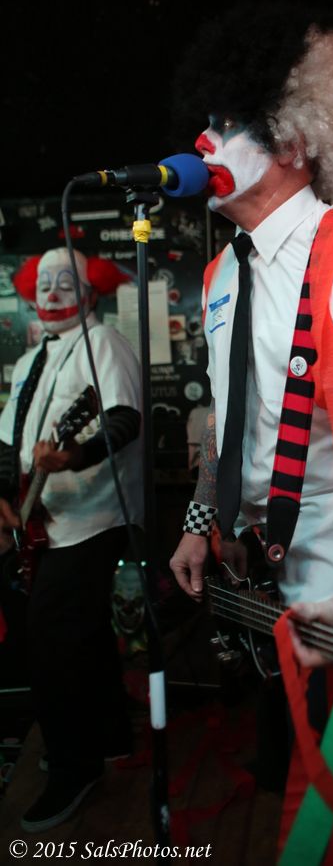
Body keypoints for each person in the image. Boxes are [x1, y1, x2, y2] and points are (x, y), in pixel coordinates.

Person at [169, 3, 333, 864]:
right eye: (205, 123)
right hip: (257, 568)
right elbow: (226, 417)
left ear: (291, 138)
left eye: (229, 124)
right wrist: (201, 523)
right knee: (289, 765)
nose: (204, 142)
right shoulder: (221, 271)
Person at [0, 247, 143, 832]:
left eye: (66, 284)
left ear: (90, 292)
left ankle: (73, 766)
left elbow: (125, 420)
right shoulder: (29, 360)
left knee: (52, 643)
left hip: (93, 519)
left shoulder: (103, 342)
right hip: (42, 524)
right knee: (81, 635)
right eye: (45, 285)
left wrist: (74, 456)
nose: (54, 295)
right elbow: (9, 441)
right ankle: (107, 737)